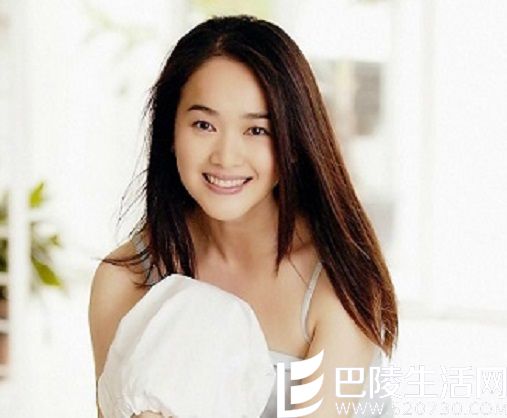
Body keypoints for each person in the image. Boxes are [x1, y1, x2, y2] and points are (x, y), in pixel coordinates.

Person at [88, 14, 398, 418]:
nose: (226, 157)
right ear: (170, 131)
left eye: (257, 130)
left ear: (292, 143)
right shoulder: (125, 280)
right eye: (204, 125)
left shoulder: (336, 283)